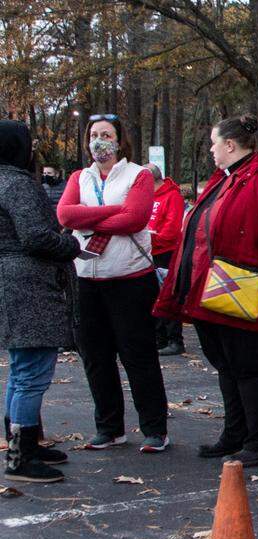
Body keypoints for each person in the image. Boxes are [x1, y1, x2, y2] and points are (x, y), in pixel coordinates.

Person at [153, 114, 258, 468]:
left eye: (213, 142)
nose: (210, 149)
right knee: (228, 366)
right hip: (218, 291)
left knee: (251, 367)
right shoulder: (228, 180)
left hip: (247, 291)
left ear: (230, 145)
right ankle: (236, 434)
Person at [56, 114, 170, 453]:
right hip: (87, 279)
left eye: (106, 134)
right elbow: (64, 216)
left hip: (130, 280)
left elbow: (136, 218)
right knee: (95, 356)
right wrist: (114, 213)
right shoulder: (80, 177)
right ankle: (109, 427)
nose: (98, 140)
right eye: (93, 134)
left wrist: (90, 219)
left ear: (119, 141)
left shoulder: (138, 176)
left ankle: (155, 429)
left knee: (139, 356)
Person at [1, 121, 79, 483]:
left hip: (12, 284)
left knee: (20, 372)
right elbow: (35, 237)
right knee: (32, 374)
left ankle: (22, 442)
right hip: (28, 286)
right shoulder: (16, 183)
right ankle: (22, 455)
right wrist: (71, 246)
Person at [145, 163, 187, 356]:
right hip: (148, 251)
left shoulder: (173, 196)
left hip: (166, 253)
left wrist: (148, 237)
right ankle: (158, 338)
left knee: (168, 294)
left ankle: (174, 340)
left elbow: (170, 231)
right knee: (152, 296)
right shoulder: (147, 196)